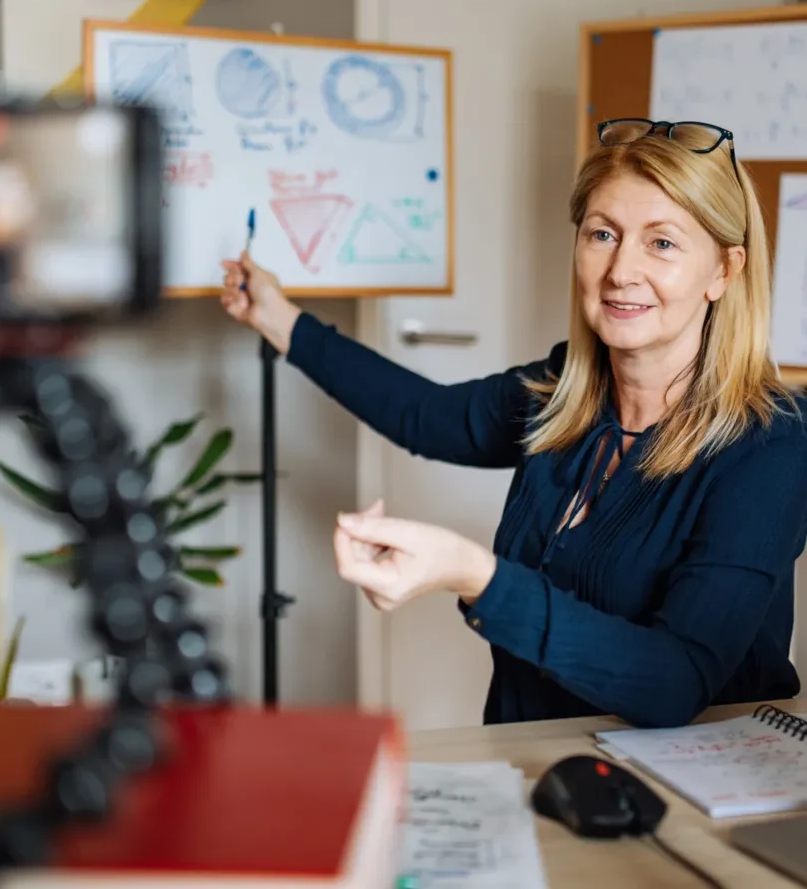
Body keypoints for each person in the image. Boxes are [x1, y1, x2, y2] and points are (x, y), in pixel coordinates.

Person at [220, 119, 807, 729]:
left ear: (724, 271)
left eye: (662, 243)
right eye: (603, 234)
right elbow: (424, 417)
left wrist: (475, 575)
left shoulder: (771, 443)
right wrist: (279, 319)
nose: (620, 271)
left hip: (693, 795)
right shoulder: (560, 394)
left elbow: (675, 682)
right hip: (539, 761)